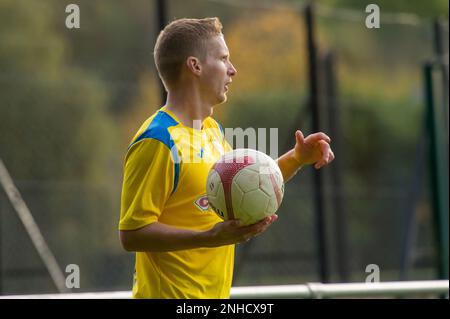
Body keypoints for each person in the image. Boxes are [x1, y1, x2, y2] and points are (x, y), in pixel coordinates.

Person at [119, 17, 334, 299]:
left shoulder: (211, 130)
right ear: (195, 66)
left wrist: (296, 157)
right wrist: (209, 238)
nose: (233, 70)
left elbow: (250, 181)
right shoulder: (157, 140)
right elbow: (133, 233)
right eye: (223, 59)